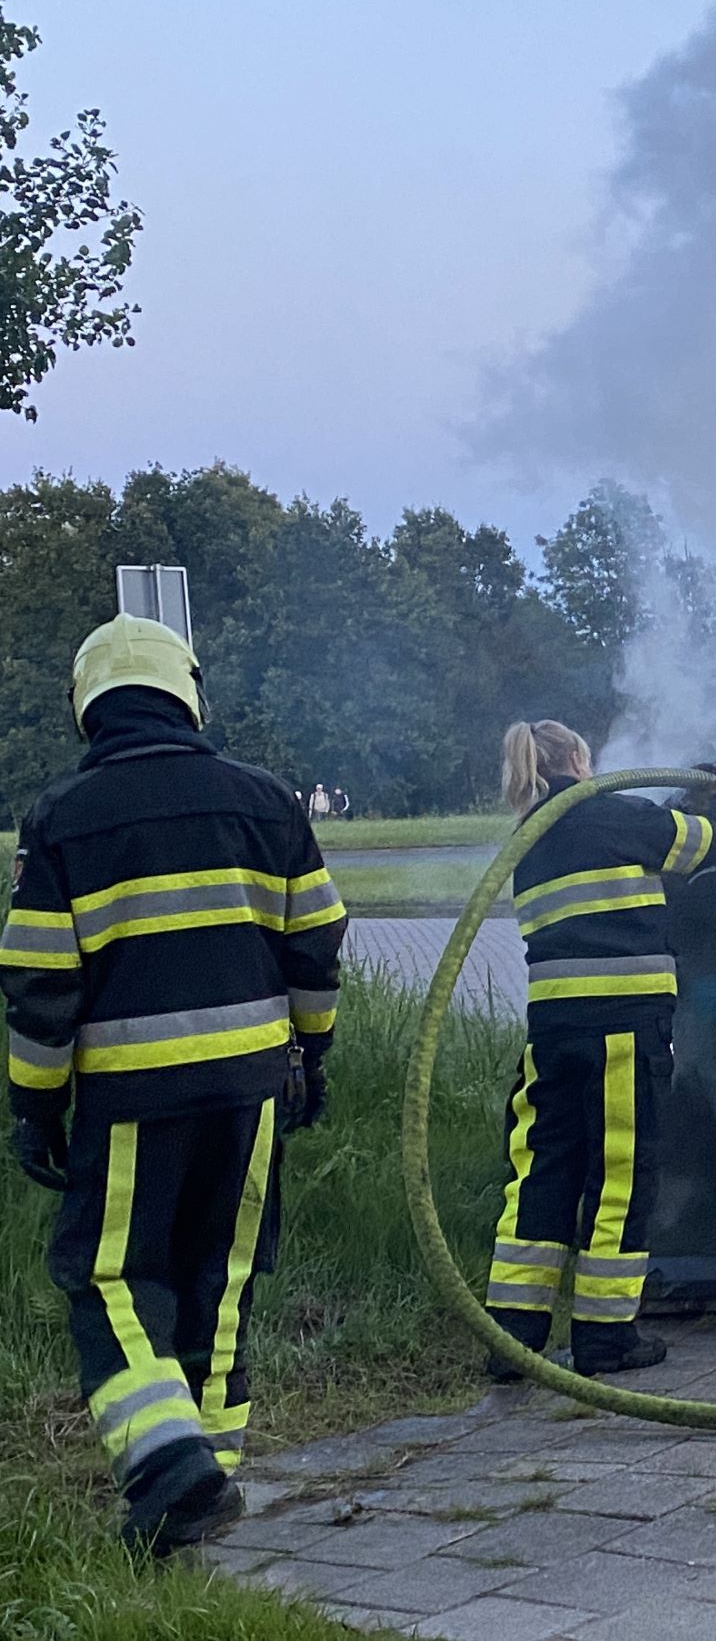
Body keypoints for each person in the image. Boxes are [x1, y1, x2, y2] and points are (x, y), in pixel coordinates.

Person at [2, 614, 345, 1556]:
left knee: (111, 1277)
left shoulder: (62, 818)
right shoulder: (268, 801)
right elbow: (316, 945)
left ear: (88, 705)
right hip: (251, 1086)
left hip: (130, 1096)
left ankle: (168, 1471)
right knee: (220, 1280)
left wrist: (35, 1106)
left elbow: (40, 985)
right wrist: (311, 1056)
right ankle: (212, 1479)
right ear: (187, 693)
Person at [487, 720, 716, 1378]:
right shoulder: (613, 815)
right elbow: (705, 843)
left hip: (552, 1034)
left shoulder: (530, 837)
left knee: (542, 1173)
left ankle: (512, 1340)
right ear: (578, 758)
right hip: (620, 1028)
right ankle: (605, 1337)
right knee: (620, 1174)